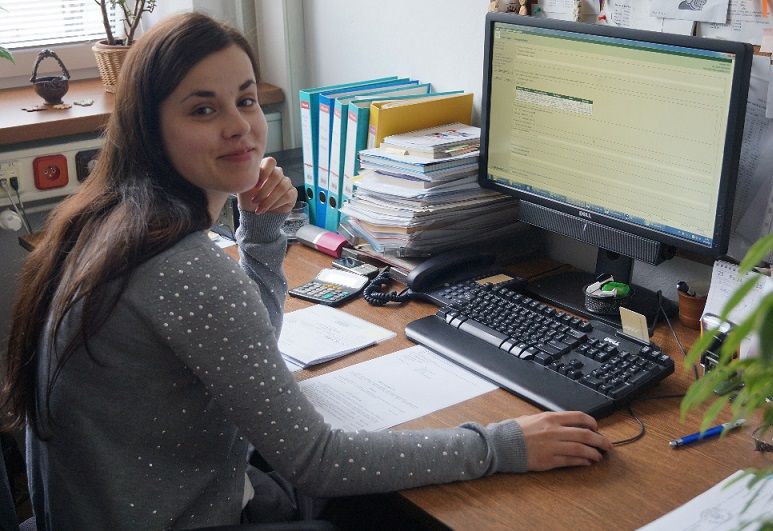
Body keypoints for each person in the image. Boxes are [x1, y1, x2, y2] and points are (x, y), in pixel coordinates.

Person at [1, 12, 611, 530]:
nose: (239, 125)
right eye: (203, 109)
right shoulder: (181, 267)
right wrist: (503, 444)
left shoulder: (105, 220)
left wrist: (264, 231)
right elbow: (318, 460)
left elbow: (251, 343)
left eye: (245, 100)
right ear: (149, 129)